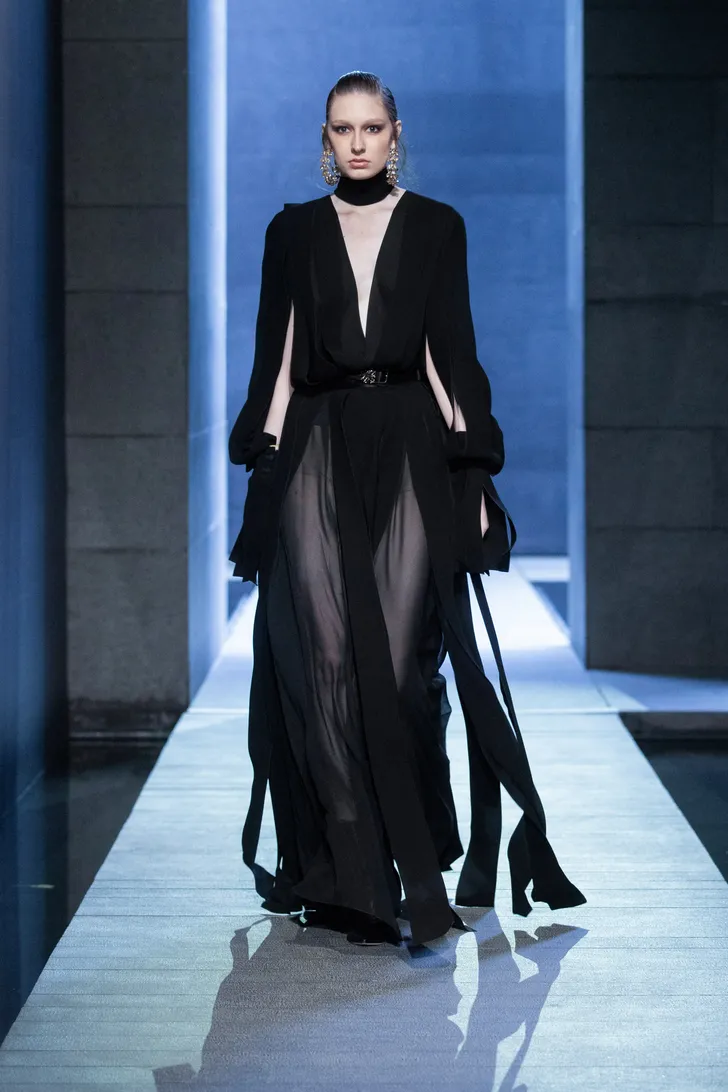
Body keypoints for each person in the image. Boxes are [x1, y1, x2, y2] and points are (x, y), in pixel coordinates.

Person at [228, 70, 586, 948]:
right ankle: (354, 874)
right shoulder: (292, 231)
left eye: (371, 127)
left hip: (407, 444)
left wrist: (474, 466)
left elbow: (447, 349)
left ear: (396, 134)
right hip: (315, 446)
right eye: (341, 129)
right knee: (323, 668)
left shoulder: (435, 225)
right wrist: (263, 472)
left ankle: (404, 850)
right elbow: (279, 355)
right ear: (325, 139)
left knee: (397, 669)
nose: (357, 142)